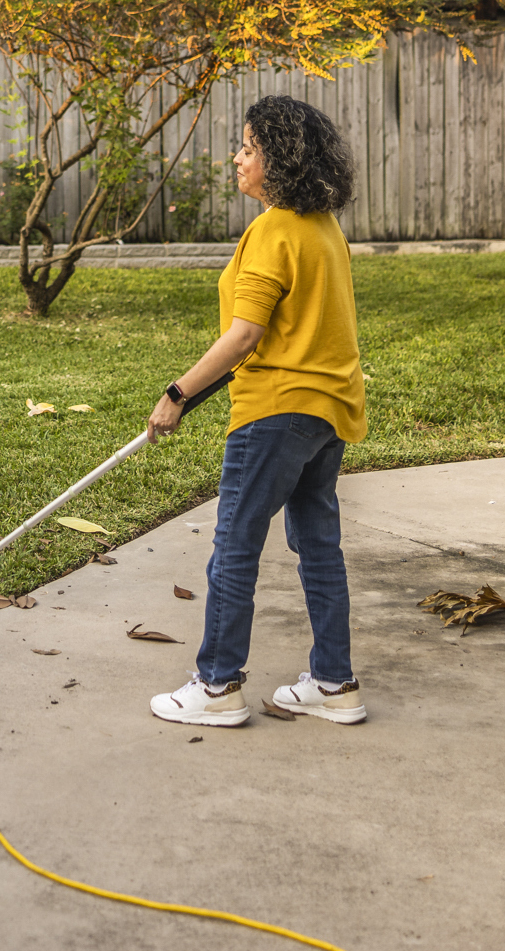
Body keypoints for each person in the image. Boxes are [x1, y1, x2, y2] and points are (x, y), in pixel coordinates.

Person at [145, 96, 366, 727]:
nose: (237, 158)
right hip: (327, 414)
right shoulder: (324, 228)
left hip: (274, 414)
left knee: (235, 546)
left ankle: (216, 688)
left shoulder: (272, 231)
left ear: (279, 161)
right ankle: (334, 684)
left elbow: (244, 335)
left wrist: (177, 395)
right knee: (319, 547)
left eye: (248, 147)